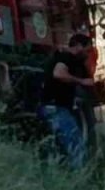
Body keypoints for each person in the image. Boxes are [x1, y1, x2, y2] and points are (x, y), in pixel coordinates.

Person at [39, 34, 96, 168]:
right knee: (76, 146)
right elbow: (58, 74)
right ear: (78, 46)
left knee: (60, 148)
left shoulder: (75, 62)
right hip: (55, 108)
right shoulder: (65, 58)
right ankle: (79, 179)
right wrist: (81, 81)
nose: (88, 53)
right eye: (87, 49)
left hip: (57, 107)